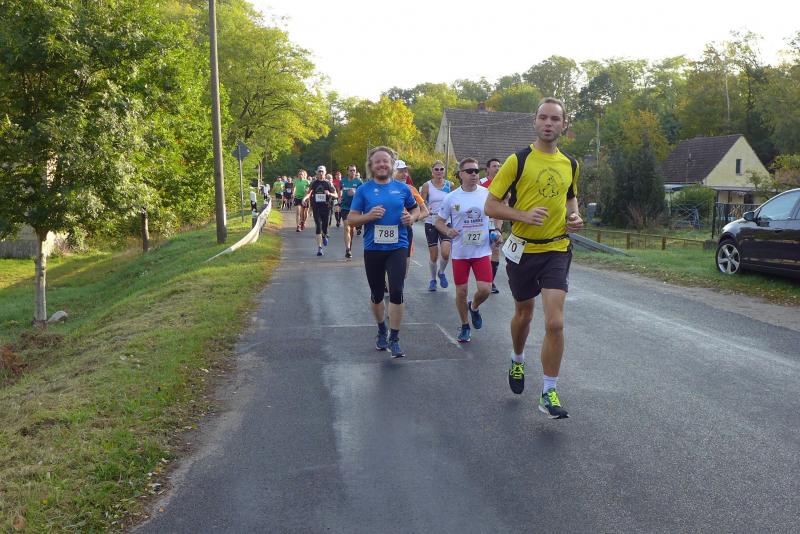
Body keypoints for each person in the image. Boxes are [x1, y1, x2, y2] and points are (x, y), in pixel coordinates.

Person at [485, 97, 583, 420]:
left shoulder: (571, 164)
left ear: (564, 124)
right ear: (535, 121)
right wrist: (522, 215)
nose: (549, 123)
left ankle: (548, 391)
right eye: (543, 117)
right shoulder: (518, 161)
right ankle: (517, 359)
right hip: (522, 250)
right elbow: (490, 205)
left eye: (555, 119)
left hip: (556, 248)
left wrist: (574, 217)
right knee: (524, 314)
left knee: (555, 322)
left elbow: (570, 199)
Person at [347, 146, 420, 358]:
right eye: (377, 161)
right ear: (371, 166)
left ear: (391, 165)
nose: (382, 165)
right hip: (373, 248)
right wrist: (368, 216)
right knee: (377, 294)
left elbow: (416, 209)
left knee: (397, 290)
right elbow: (351, 219)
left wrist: (412, 218)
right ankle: (381, 329)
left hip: (398, 246)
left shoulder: (403, 189)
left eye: (385, 161)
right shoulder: (364, 190)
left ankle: (394, 338)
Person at [435, 158, 495, 343]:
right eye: (469, 171)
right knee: (461, 291)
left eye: (477, 171)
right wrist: (448, 231)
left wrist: (497, 231)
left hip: (481, 251)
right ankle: (465, 326)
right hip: (460, 252)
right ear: (460, 174)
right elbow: (439, 222)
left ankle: (474, 307)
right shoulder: (451, 197)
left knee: (485, 290)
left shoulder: (487, 193)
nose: (474, 174)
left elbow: (497, 214)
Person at [420, 160, 454, 291]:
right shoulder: (427, 186)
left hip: (445, 222)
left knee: (445, 253)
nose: (439, 171)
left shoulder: (450, 185)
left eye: (441, 169)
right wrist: (425, 210)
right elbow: (421, 203)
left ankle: (441, 272)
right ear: (432, 171)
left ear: (444, 171)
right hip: (431, 221)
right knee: (434, 255)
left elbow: (455, 202)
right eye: (436, 169)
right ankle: (433, 279)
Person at [394, 160, 429, 276]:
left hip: (405, 229)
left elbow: (425, 211)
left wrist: (412, 218)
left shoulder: (411, 189)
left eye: (406, 171)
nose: (404, 174)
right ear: (392, 172)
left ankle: (400, 284)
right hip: (386, 229)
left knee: (405, 263)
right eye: (400, 171)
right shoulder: (382, 188)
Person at [480, 158, 504, 293]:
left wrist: (498, 227)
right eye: (494, 166)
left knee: (495, 249)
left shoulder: (503, 184)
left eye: (499, 166)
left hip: (495, 221)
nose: (497, 168)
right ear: (487, 169)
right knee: (482, 252)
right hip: (480, 222)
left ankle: (491, 281)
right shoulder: (481, 183)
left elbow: (504, 206)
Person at [303, 166, 338, 256]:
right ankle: (319, 248)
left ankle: (324, 235)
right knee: (318, 226)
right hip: (316, 208)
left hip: (326, 207)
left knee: (325, 226)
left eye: (322, 171)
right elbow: (309, 193)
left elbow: (336, 195)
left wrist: (329, 193)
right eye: (319, 171)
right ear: (317, 172)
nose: (321, 173)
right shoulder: (313, 183)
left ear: (325, 172)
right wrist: (304, 199)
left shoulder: (328, 183)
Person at [339, 164, 363, 259]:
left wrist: (355, 192)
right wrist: (339, 199)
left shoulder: (359, 182)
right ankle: (348, 249)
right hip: (345, 207)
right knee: (347, 227)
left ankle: (349, 246)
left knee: (351, 229)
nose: (353, 172)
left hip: (355, 208)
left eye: (354, 170)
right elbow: (340, 191)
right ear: (347, 171)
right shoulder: (343, 181)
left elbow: (362, 195)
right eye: (351, 170)